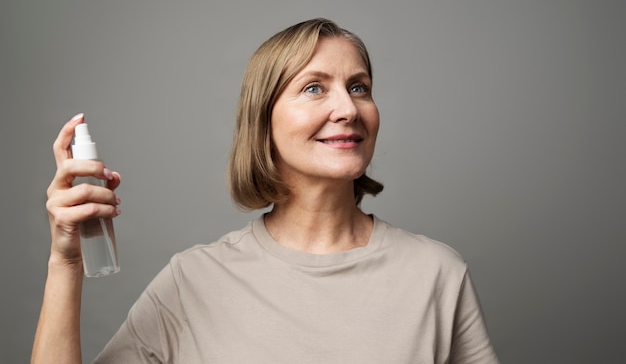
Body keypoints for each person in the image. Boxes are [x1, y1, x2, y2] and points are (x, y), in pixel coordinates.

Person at [32, 18, 499, 363]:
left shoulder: (436, 274)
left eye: (359, 88)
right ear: (263, 120)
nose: (348, 109)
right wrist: (66, 262)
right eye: (315, 88)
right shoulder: (193, 281)